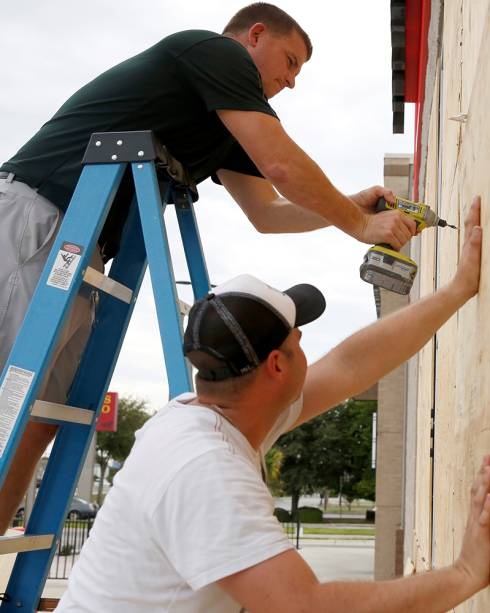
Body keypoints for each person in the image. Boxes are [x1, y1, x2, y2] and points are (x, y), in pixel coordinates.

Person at [0, 3, 418, 530]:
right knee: (5, 402)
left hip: (84, 251)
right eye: (289, 62)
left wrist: (350, 206)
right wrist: (360, 228)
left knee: (40, 422)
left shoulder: (220, 124)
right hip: (38, 217)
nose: (290, 82)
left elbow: (266, 212)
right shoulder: (213, 51)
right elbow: (282, 164)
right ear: (255, 36)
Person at [57, 198, 490, 612]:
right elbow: (305, 607)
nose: (303, 338)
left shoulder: (212, 416)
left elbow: (350, 364)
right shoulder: (204, 468)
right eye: (295, 335)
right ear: (278, 366)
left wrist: (457, 290)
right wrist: (465, 574)